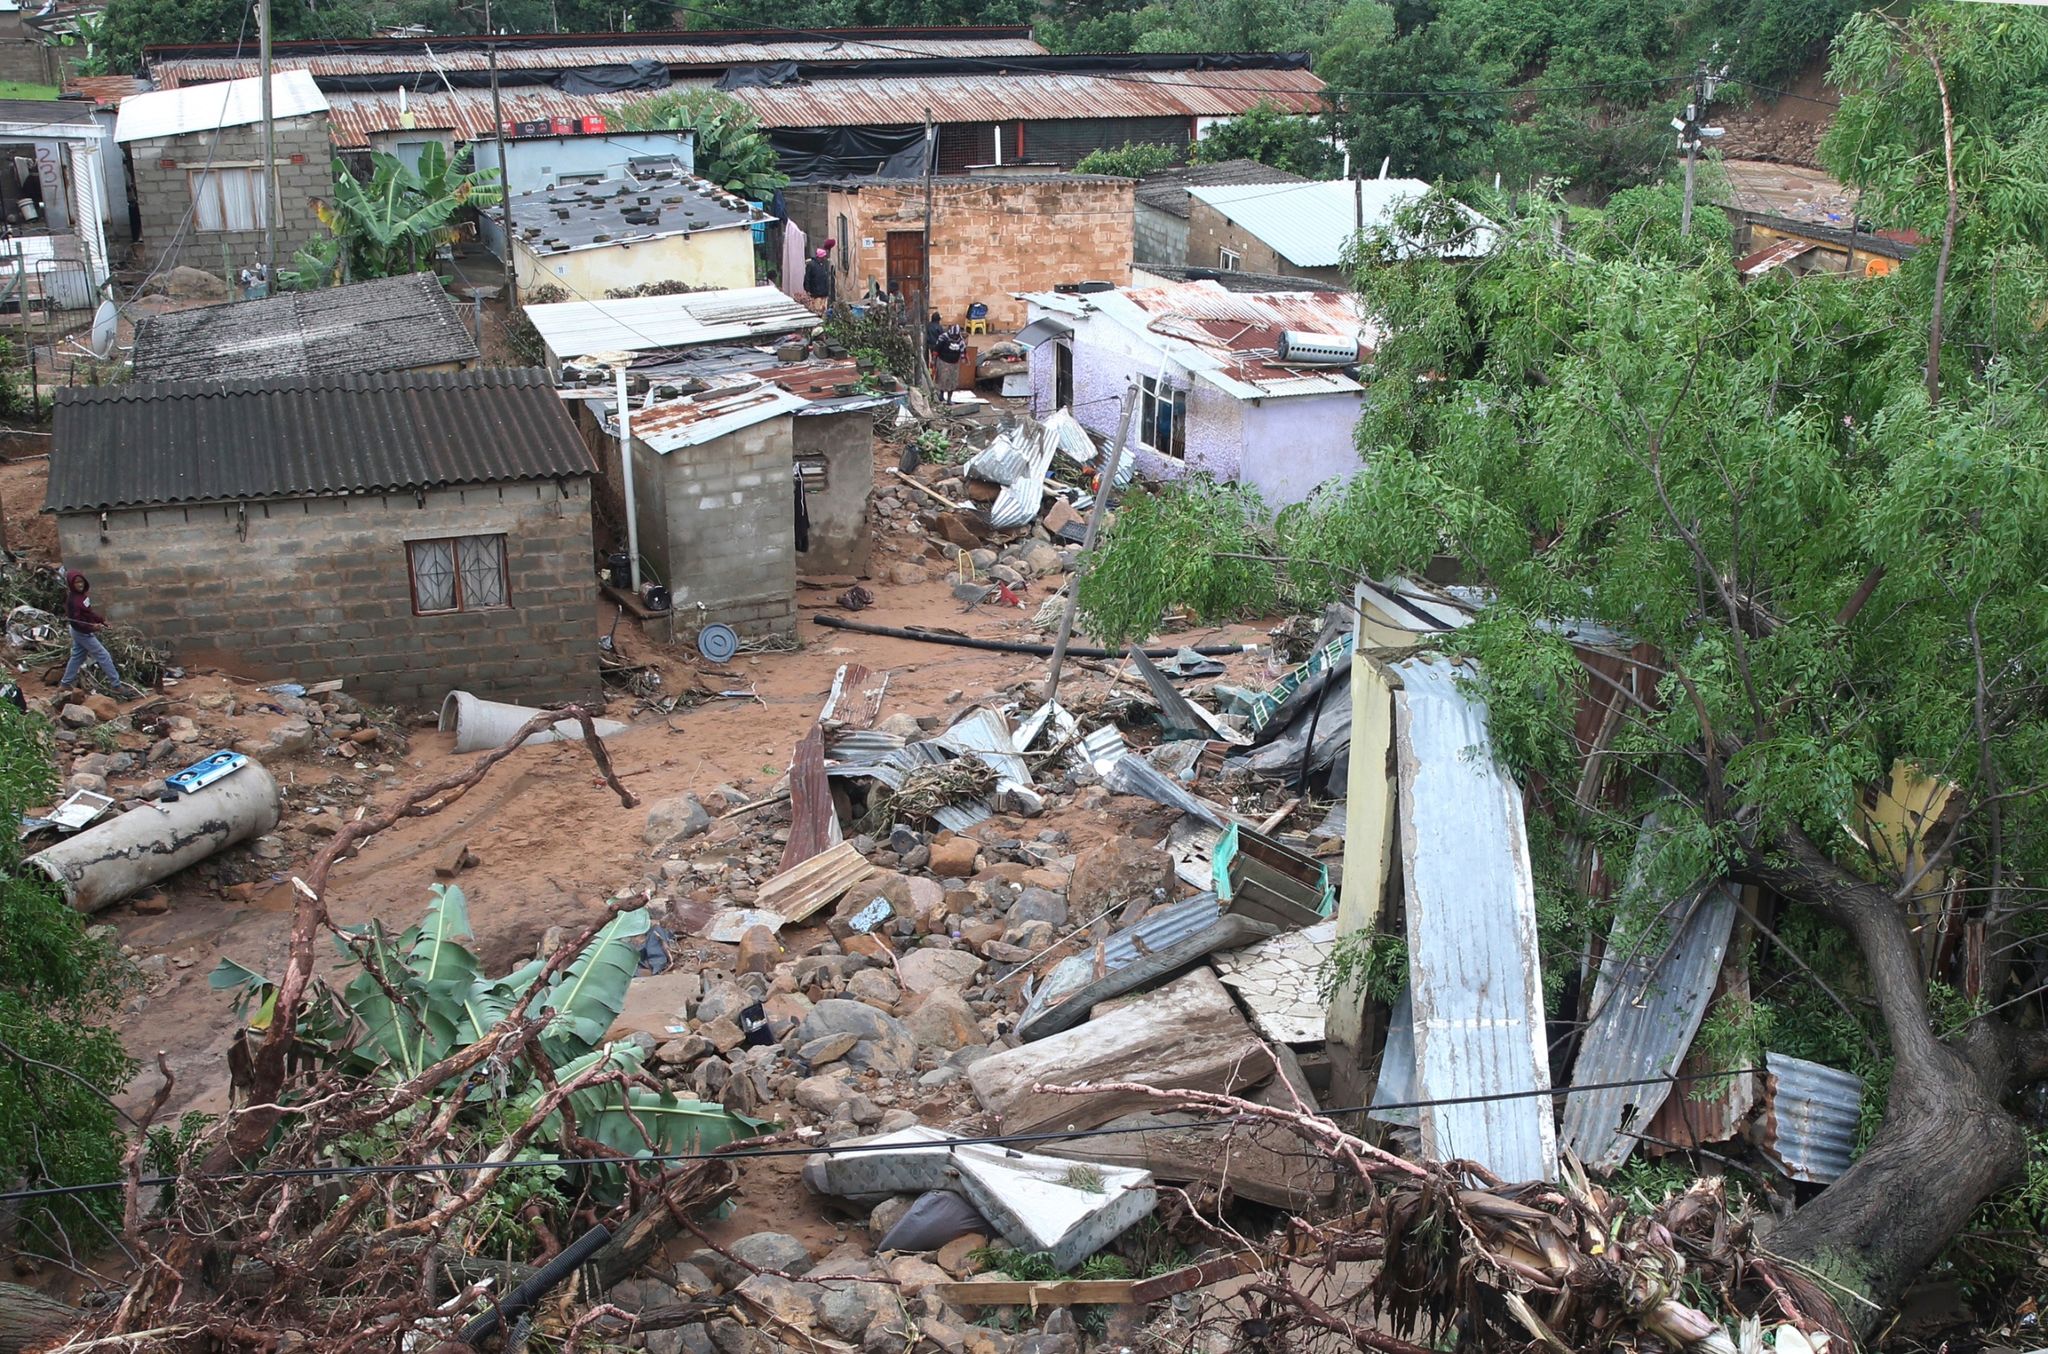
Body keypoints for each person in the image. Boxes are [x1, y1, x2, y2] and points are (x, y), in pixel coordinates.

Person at [60, 572, 131, 695]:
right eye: (76, 582)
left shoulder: (82, 597)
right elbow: (76, 622)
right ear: (72, 584)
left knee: (77, 656)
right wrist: (92, 628)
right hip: (81, 632)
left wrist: (101, 621)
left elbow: (88, 613)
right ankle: (116, 685)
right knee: (104, 655)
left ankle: (65, 684)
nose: (80, 584)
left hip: (82, 631)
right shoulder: (73, 601)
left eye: (81, 581)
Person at [933, 323, 967, 398]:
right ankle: (941, 395)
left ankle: (949, 399)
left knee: (952, 382)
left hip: (954, 364)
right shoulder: (943, 338)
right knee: (943, 380)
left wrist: (963, 358)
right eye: (953, 336)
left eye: (956, 336)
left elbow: (963, 350)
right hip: (943, 362)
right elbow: (936, 349)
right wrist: (934, 360)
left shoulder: (960, 340)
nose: (954, 337)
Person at [801, 246, 834, 311]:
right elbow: (807, 278)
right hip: (816, 293)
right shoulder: (811, 265)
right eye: (824, 257)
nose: (825, 258)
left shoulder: (823, 265)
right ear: (820, 257)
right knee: (817, 309)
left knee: (823, 309)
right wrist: (807, 290)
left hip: (824, 292)